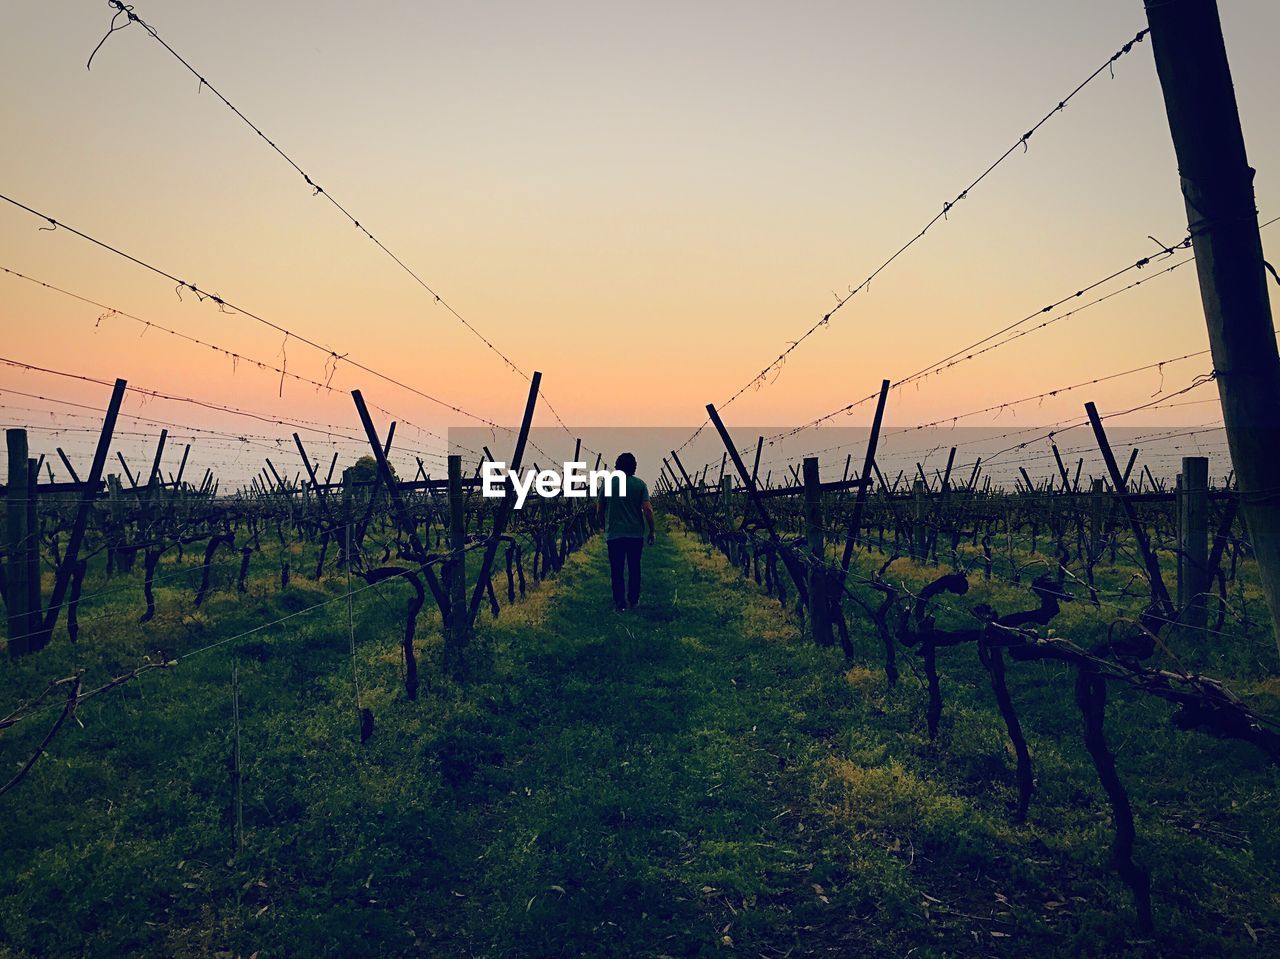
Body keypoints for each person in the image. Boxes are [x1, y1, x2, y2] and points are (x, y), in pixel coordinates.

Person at [596, 452, 655, 612]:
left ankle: (619, 603)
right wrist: (651, 530)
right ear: (634, 467)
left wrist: (603, 524)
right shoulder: (640, 484)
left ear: (617, 467)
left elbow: (600, 508)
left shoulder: (608, 483)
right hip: (635, 534)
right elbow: (647, 509)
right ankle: (633, 600)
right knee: (634, 567)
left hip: (614, 534)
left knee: (617, 569)